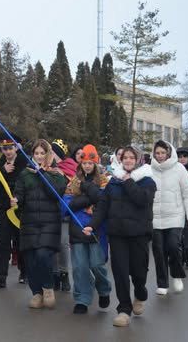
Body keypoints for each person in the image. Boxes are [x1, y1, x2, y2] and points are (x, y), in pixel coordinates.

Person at [83, 146, 156, 327]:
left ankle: (140, 293)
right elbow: (103, 207)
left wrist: (128, 181)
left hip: (139, 233)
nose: (128, 160)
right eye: (125, 158)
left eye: (132, 157)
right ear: (121, 160)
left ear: (138, 160)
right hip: (118, 234)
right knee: (120, 272)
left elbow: (142, 200)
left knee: (138, 272)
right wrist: (92, 225)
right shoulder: (113, 183)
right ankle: (123, 309)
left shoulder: (147, 181)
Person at [12, 139, 68, 310]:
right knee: (30, 259)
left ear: (48, 155)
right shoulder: (24, 174)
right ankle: (36, 292)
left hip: (49, 222)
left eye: (42, 153)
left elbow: (55, 193)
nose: (39, 156)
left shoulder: (58, 175)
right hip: (29, 221)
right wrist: (16, 200)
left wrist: (42, 174)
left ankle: (48, 287)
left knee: (44, 255)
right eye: (36, 153)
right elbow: (19, 193)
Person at [64, 144, 112, 314]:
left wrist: (91, 192)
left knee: (97, 264)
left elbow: (104, 203)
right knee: (79, 267)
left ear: (95, 164)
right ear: (80, 163)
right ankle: (82, 299)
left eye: (90, 163)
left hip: (97, 229)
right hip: (77, 228)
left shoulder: (104, 181)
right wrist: (83, 199)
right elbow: (65, 206)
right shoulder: (74, 182)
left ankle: (104, 288)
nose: (87, 166)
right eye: (84, 163)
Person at [150, 141, 188, 296]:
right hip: (155, 217)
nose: (160, 156)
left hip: (175, 215)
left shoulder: (178, 169)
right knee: (158, 251)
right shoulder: (149, 169)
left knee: (173, 246)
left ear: (169, 153)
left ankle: (177, 275)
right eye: (157, 153)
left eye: (163, 153)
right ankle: (162, 283)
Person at [0, 132, 27, 288]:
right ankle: (0, 276)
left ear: (16, 148)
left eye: (10, 148)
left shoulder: (25, 163)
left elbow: (26, 184)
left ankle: (24, 272)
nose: (7, 152)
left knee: (21, 241)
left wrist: (18, 198)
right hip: (3, 209)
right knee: (3, 242)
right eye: (4, 149)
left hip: (19, 208)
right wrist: (2, 172)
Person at [50, 139, 76, 292]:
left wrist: (61, 175)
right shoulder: (47, 167)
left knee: (63, 243)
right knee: (53, 243)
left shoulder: (69, 168)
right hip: (50, 210)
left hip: (64, 211)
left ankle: (64, 272)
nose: (50, 155)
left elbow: (72, 187)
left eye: (52, 152)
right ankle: (54, 274)